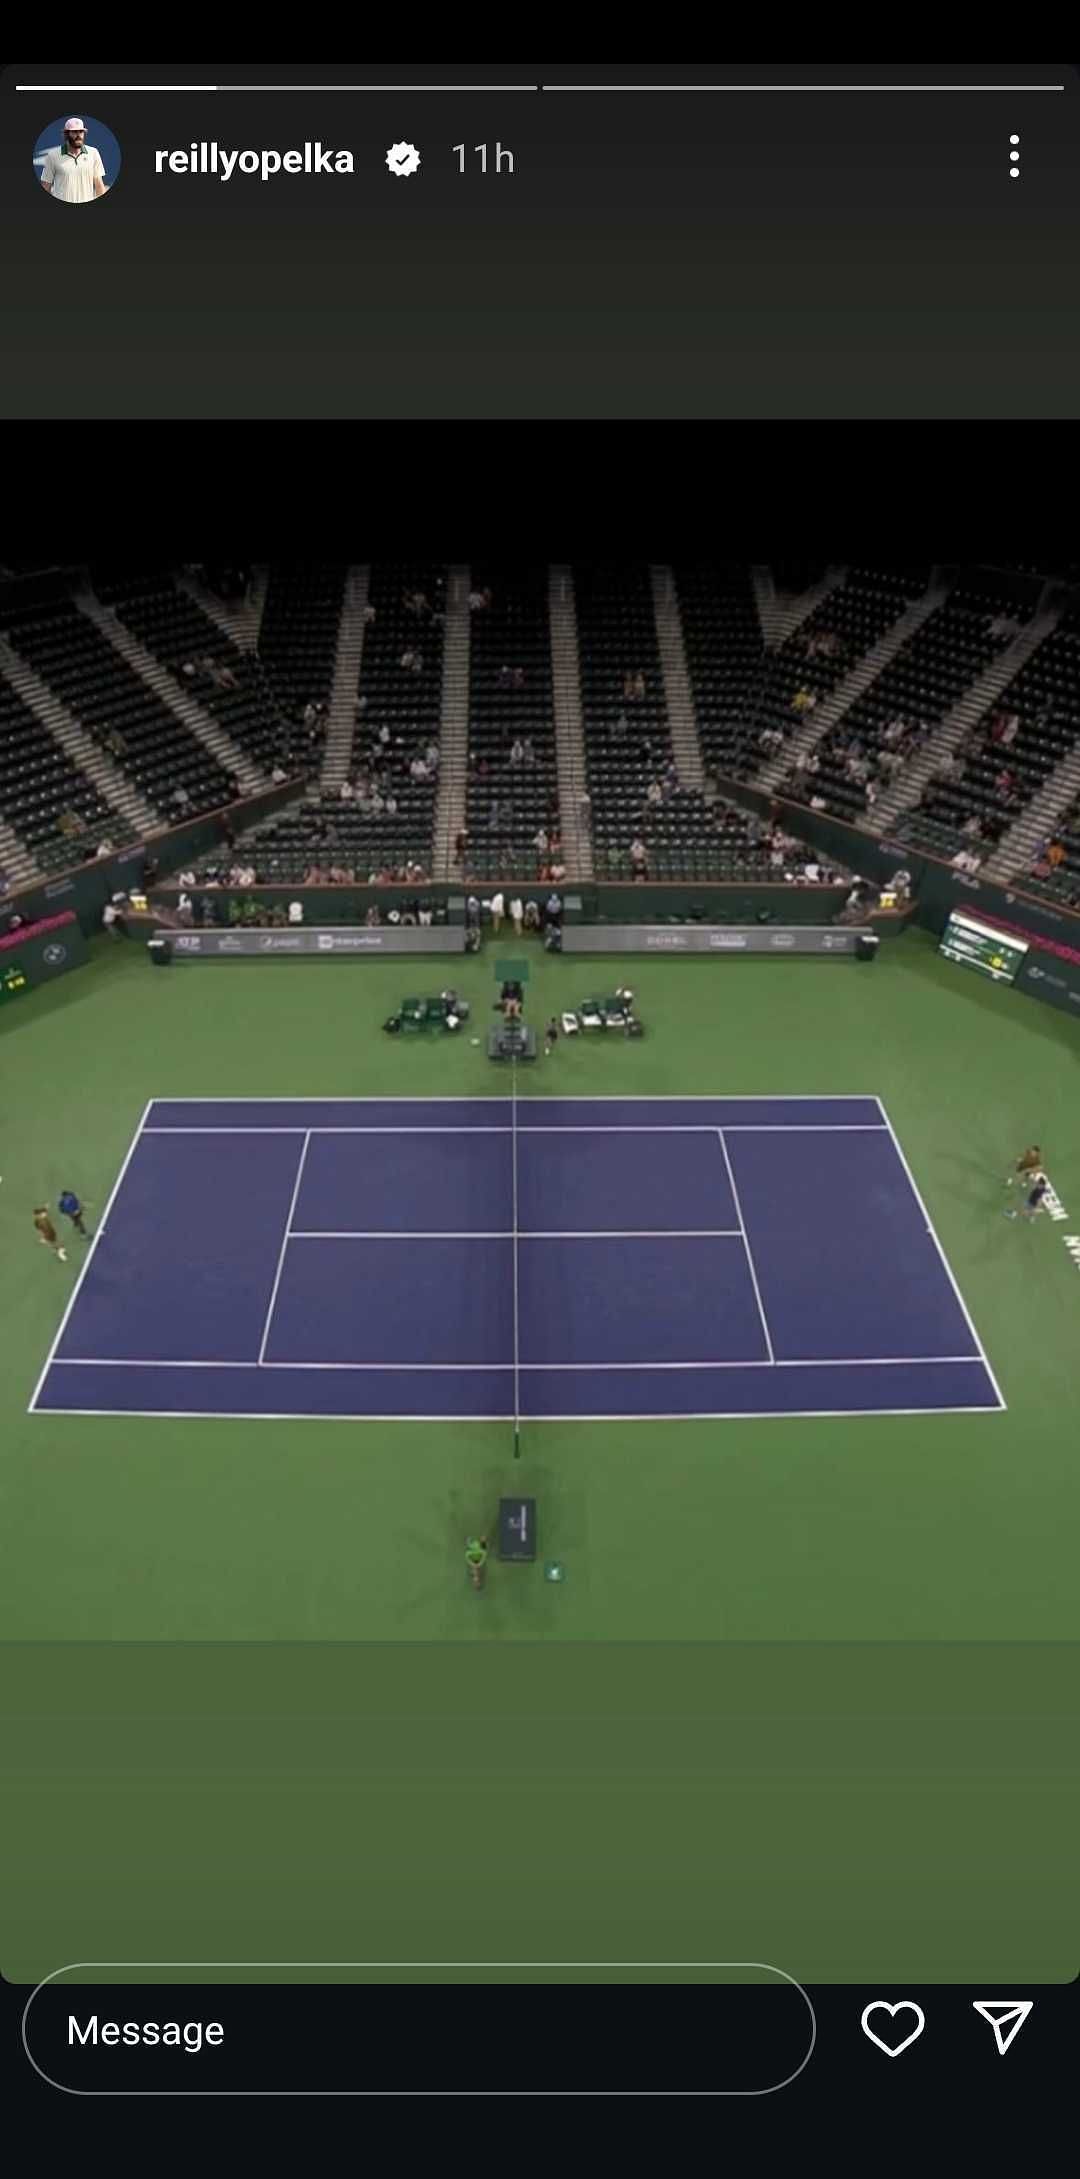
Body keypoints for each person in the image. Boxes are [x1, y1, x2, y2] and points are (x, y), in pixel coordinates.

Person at [40, 119, 108, 202]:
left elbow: (99, 185)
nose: (79, 135)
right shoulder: (52, 155)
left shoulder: (93, 153)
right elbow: (46, 186)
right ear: (66, 134)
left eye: (81, 131)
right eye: (75, 132)